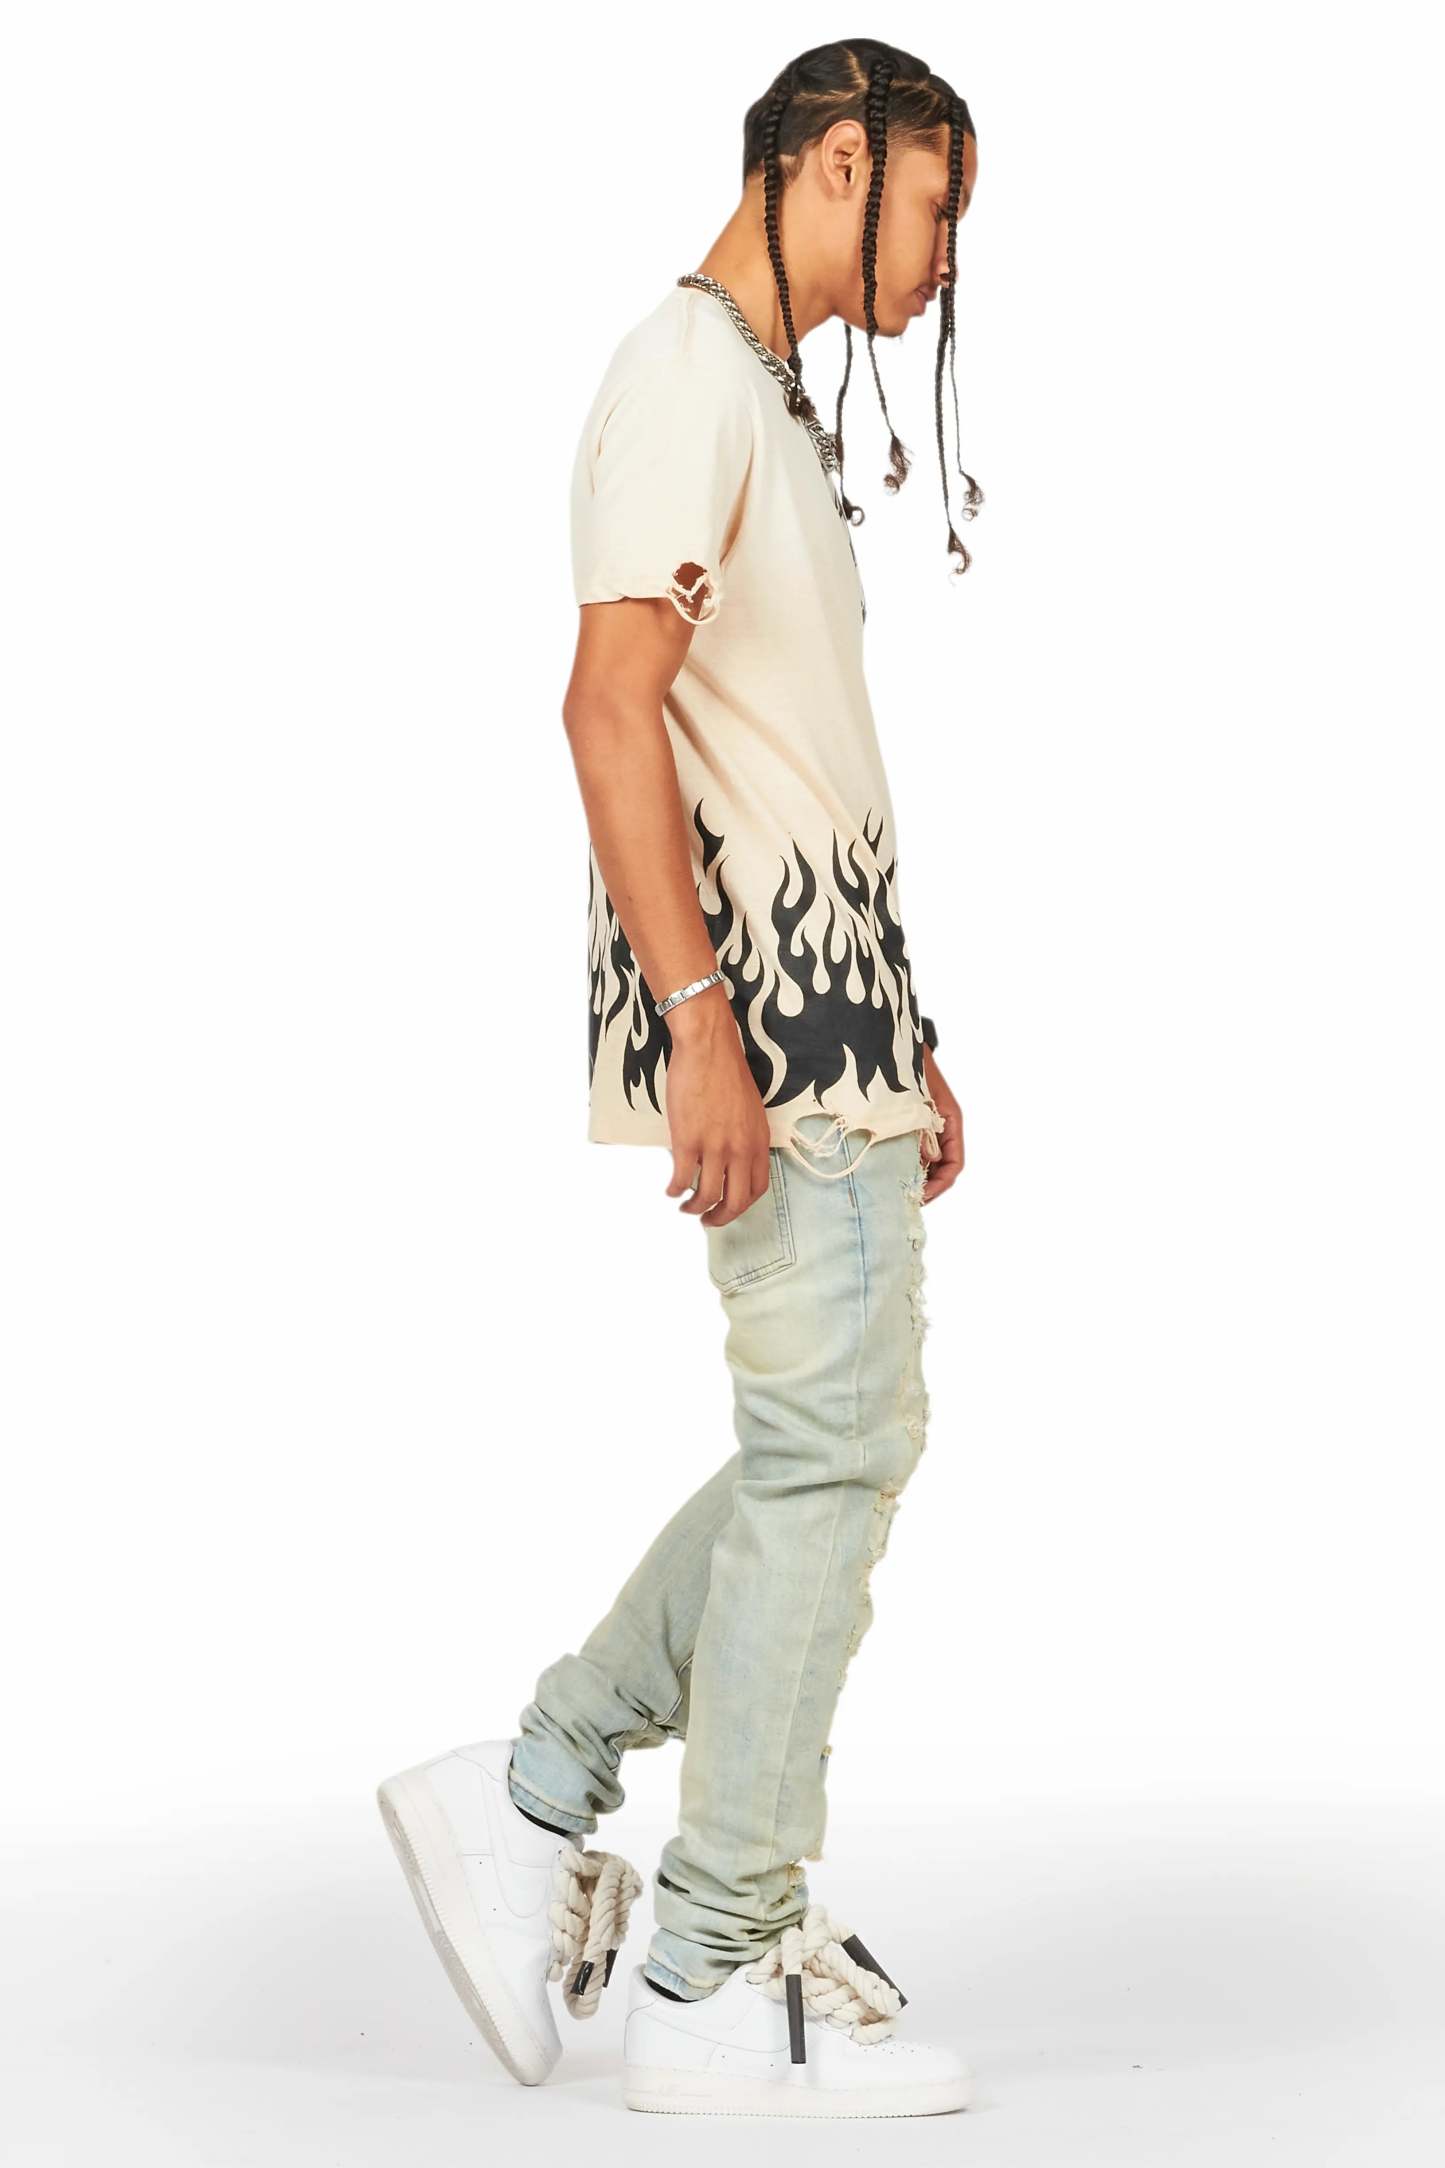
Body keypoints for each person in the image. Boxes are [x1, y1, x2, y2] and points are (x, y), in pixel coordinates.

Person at [378, 37, 981, 2118]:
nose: (944, 261)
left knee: (835, 1443)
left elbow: (787, 744)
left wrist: (908, 1030)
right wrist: (702, 1018)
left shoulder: (758, 398)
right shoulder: (681, 378)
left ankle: (536, 1785)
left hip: (833, 1020)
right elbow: (607, 705)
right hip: (766, 1024)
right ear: (837, 163)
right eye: (935, 208)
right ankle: (716, 1963)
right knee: (831, 1453)